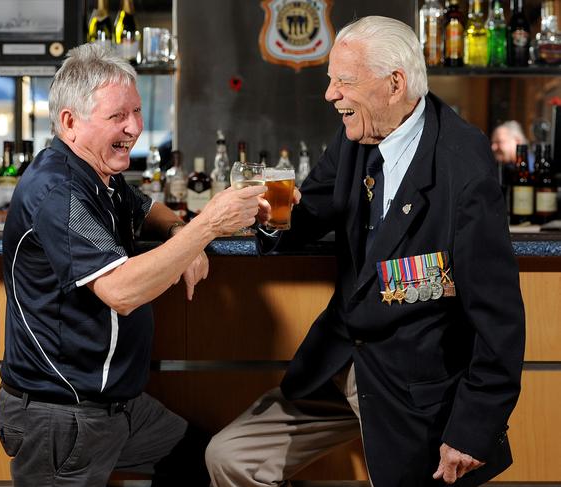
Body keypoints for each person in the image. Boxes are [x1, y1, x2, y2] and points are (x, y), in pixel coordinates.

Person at [206, 16, 525, 487]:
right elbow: (308, 211)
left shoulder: (464, 166)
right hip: (337, 365)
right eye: (331, 80)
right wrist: (268, 216)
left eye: (343, 82)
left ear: (394, 84)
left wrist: (473, 429)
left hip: (415, 393)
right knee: (229, 457)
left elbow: (499, 319)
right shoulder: (358, 135)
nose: (330, 95)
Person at [0, 43, 267, 487]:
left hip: (117, 407)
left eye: (137, 112)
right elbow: (121, 291)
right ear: (69, 123)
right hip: (61, 417)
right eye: (118, 117)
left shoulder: (100, 174)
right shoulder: (58, 192)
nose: (135, 128)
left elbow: (145, 207)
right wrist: (208, 226)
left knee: (198, 463)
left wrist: (180, 229)